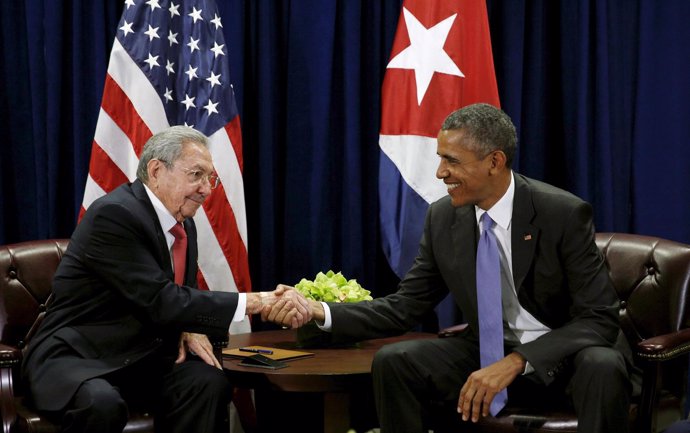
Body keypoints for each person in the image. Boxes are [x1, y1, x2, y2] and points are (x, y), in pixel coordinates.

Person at [265, 103, 635, 433]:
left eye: (452, 160)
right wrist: (320, 311)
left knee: (602, 365)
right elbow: (405, 306)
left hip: (563, 358)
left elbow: (599, 318)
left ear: (495, 162)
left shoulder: (562, 213)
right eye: (440, 158)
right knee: (397, 361)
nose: (441, 172)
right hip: (485, 352)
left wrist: (517, 361)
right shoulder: (443, 217)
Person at [22, 126, 311, 433]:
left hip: (139, 358)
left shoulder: (183, 224)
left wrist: (189, 325)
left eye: (209, 178)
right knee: (102, 404)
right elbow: (160, 298)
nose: (206, 189)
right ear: (156, 170)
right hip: (78, 359)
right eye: (196, 175)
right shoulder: (115, 215)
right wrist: (257, 301)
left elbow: (179, 296)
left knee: (207, 383)